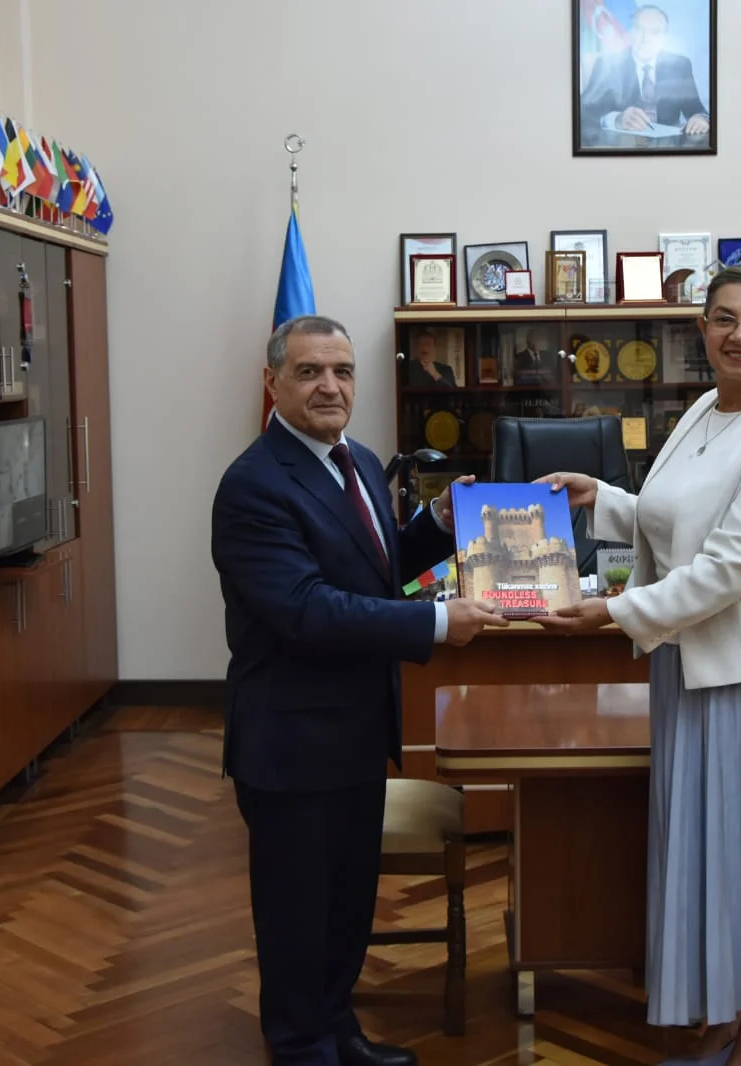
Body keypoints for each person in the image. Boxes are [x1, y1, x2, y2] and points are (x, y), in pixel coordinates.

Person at [534, 265, 741, 1066]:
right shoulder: (706, 408)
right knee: (716, 859)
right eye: (724, 319)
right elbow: (677, 517)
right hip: (697, 670)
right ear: (701, 330)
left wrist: (612, 612)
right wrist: (602, 497)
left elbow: (728, 568)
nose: (740, 335)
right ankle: (732, 1015)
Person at [211, 314, 508, 1066]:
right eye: (309, 372)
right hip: (290, 742)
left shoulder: (360, 460)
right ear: (273, 382)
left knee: (345, 906)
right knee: (296, 914)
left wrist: (437, 522)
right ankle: (300, 1047)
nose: (330, 387)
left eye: (342, 371)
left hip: (354, 731)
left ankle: (338, 1032)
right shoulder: (253, 485)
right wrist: (435, 623)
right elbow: (305, 609)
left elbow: (379, 567)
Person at [579, 5, 710, 137]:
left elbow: (696, 109)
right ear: (631, 32)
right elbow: (583, 112)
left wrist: (700, 119)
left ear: (664, 36)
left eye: (655, 32)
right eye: (639, 29)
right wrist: (615, 119)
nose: (646, 38)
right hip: (621, 145)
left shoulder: (680, 65)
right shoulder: (607, 65)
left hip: (668, 145)